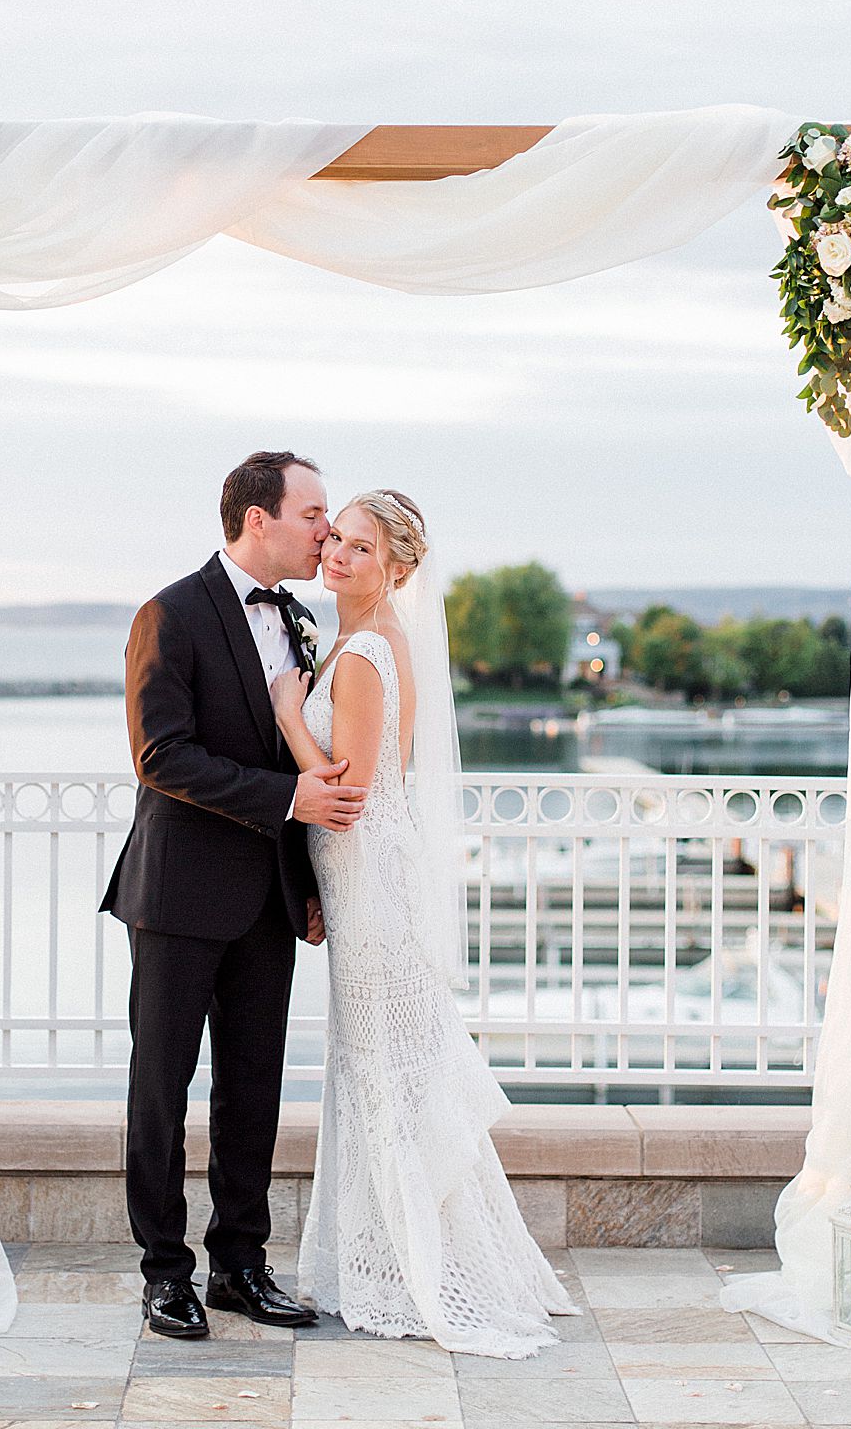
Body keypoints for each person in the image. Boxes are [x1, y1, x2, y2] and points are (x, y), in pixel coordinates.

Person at [271, 489, 577, 1358]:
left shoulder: (367, 650)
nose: (338, 556)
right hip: (361, 879)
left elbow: (351, 791)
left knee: (388, 1070)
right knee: (386, 1068)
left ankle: (415, 1269)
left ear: (397, 569)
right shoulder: (361, 641)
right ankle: (385, 1260)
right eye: (337, 540)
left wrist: (291, 714)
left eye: (362, 550)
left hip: (372, 878)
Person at [100, 450, 366, 1340]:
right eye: (313, 513)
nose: (324, 530)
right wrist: (289, 798)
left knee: (253, 1087)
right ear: (259, 518)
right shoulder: (168, 614)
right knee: (161, 1087)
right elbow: (160, 756)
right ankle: (164, 1273)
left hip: (268, 898)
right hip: (177, 896)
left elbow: (296, 746)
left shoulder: (295, 619)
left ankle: (240, 1267)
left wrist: (310, 877)